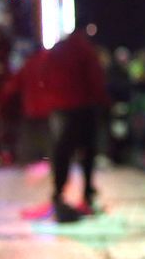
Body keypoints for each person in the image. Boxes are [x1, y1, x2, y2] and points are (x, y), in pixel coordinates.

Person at [43, 24, 110, 221]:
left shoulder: (59, 49)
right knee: (87, 151)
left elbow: (46, 75)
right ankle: (87, 192)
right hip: (82, 106)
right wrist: (103, 101)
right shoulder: (85, 49)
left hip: (61, 106)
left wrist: (52, 98)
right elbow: (95, 78)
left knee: (62, 150)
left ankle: (58, 191)